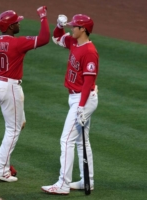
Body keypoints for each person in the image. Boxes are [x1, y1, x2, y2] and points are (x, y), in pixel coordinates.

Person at [0, 6, 50, 182]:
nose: (19, 24)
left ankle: (5, 163)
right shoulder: (17, 43)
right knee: (13, 129)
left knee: (19, 122)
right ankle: (0, 169)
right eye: (17, 22)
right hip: (10, 88)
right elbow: (44, 38)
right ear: (10, 27)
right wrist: (43, 17)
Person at [41, 14, 99, 194]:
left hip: (83, 98)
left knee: (66, 140)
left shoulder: (90, 52)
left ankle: (63, 184)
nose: (71, 28)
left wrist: (81, 107)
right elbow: (57, 38)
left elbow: (89, 81)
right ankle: (87, 181)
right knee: (82, 142)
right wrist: (58, 25)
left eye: (74, 26)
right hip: (76, 98)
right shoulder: (74, 42)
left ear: (83, 30)